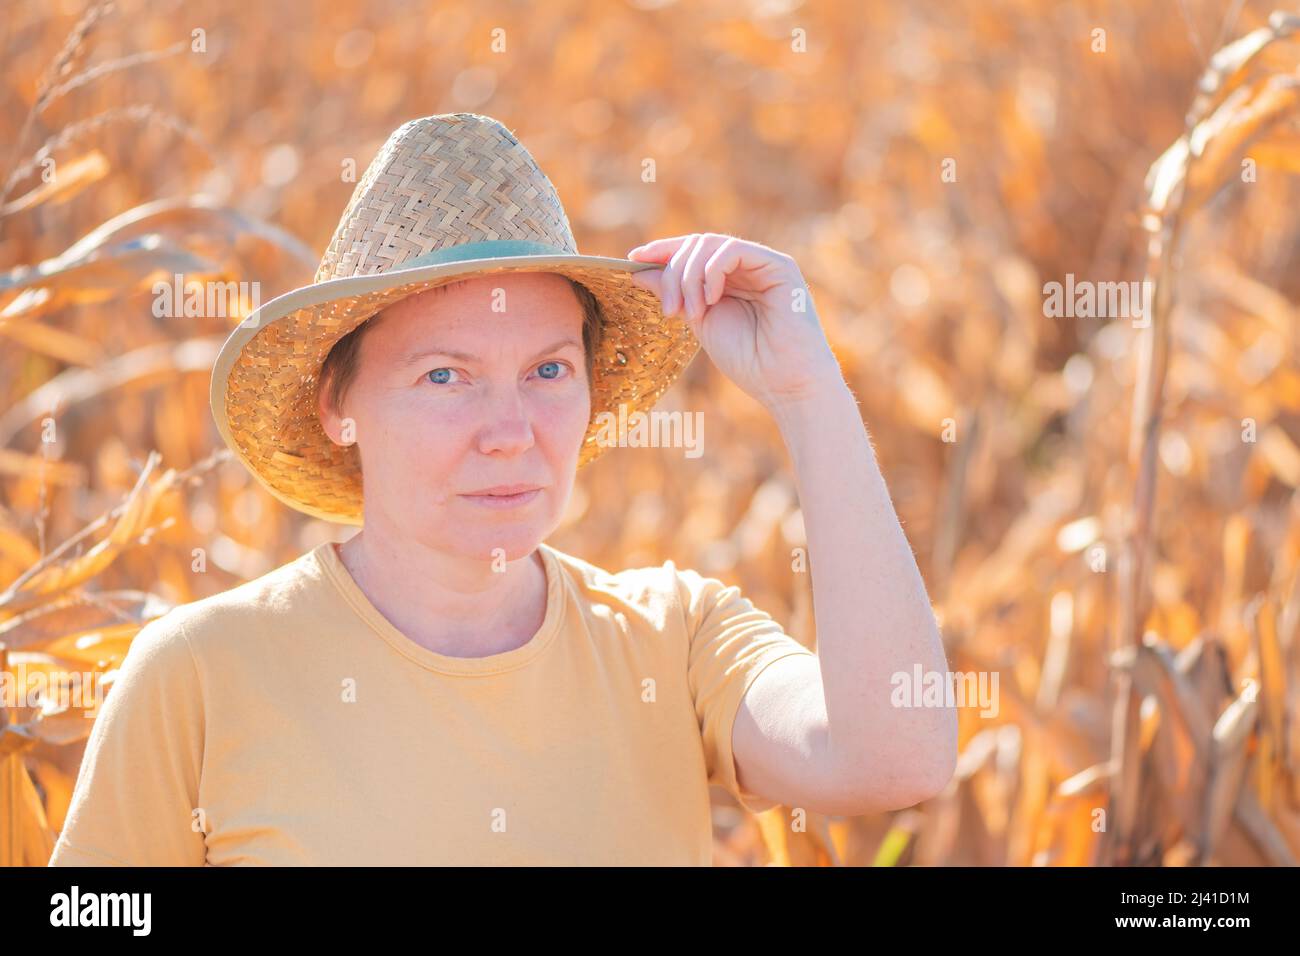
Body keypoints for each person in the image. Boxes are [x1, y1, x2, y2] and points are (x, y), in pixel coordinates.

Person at [48, 113, 955, 866]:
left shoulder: (674, 643)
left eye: (549, 370)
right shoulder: (200, 674)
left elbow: (895, 758)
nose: (510, 429)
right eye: (445, 376)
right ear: (338, 406)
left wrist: (808, 393)